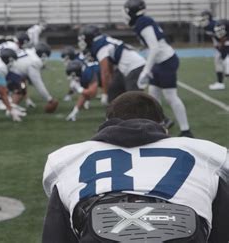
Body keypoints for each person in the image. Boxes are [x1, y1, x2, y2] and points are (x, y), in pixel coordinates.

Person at [42, 91, 229, 243]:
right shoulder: (209, 153)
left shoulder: (67, 158)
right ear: (163, 126)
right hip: (180, 229)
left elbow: (56, 233)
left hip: (102, 229)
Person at [123, 0, 193, 138]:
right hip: (160, 61)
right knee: (153, 95)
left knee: (170, 96)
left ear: (132, 11)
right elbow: (155, 43)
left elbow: (155, 47)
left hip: (165, 61)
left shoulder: (143, 22)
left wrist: (146, 70)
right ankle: (160, 124)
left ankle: (186, 131)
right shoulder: (142, 21)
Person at [78, 25, 145, 104]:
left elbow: (105, 72)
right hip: (126, 67)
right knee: (113, 90)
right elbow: (109, 68)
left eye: (83, 38)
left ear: (89, 37)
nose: (82, 41)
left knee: (133, 99)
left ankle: (142, 114)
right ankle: (117, 114)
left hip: (135, 66)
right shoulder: (102, 41)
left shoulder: (100, 46)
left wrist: (104, 94)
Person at [7, 42, 59, 112]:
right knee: (20, 89)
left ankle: (11, 106)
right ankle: (10, 109)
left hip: (8, 70)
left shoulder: (30, 52)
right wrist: (49, 99)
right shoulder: (35, 61)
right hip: (7, 73)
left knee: (21, 85)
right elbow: (37, 83)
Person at [61, 46, 101, 122]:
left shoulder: (88, 73)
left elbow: (92, 93)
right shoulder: (84, 72)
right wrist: (74, 113)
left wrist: (79, 89)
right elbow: (85, 94)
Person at [193, 10, 228, 90]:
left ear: (207, 18)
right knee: (218, 62)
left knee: (225, 62)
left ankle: (220, 83)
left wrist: (221, 45)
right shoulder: (206, 26)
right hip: (220, 45)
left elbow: (224, 36)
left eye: (203, 19)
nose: (201, 21)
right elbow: (215, 37)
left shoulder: (215, 25)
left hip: (225, 44)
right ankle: (220, 83)